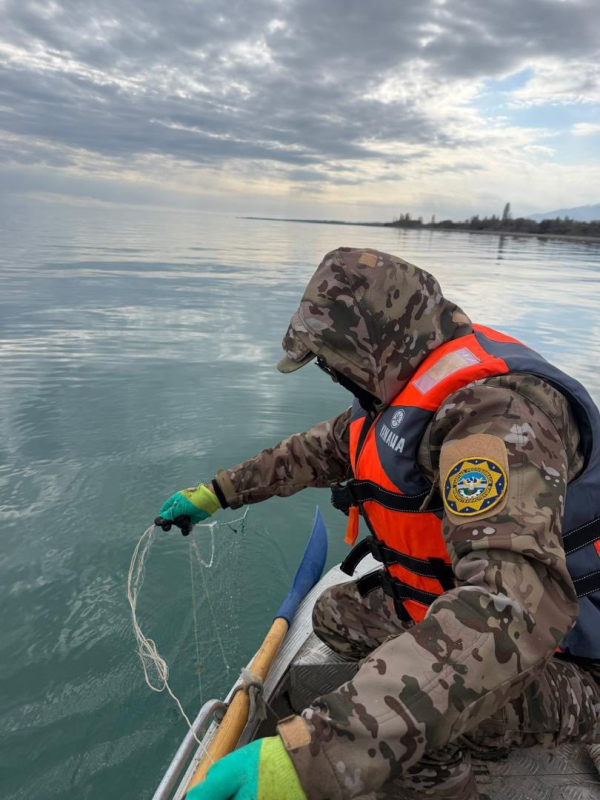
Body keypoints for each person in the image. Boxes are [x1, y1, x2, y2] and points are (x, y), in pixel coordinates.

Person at [157, 248, 600, 800]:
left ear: (367, 349)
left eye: (328, 359)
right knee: (333, 614)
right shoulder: (398, 393)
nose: (331, 373)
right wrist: (216, 493)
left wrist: (325, 752)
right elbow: (310, 453)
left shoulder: (500, 416)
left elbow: (512, 607)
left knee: (420, 726)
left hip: (571, 657)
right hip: (450, 605)